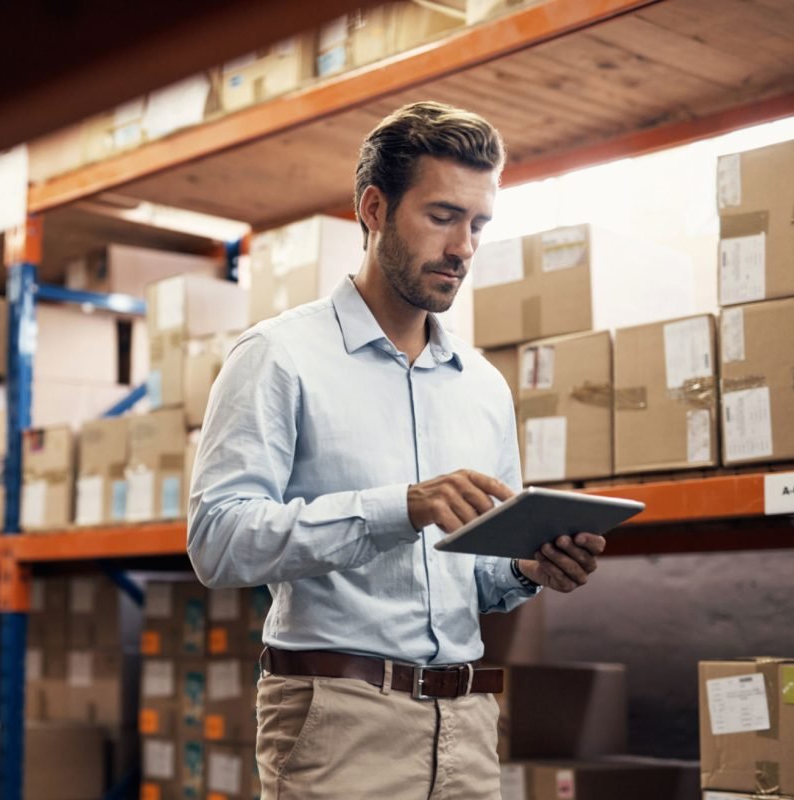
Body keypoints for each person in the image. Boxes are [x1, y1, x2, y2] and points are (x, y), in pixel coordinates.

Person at [186, 101, 606, 800]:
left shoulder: (483, 387)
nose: (463, 247)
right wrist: (399, 508)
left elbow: (479, 577)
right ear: (375, 209)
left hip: (468, 725)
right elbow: (218, 541)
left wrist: (528, 566)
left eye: (478, 224)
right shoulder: (280, 356)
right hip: (338, 723)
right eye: (442, 216)